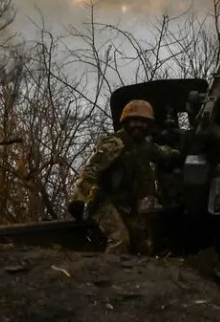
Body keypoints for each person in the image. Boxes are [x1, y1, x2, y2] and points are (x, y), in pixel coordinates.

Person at [68, 99, 181, 254]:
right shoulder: (115, 144)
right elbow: (91, 171)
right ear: (126, 122)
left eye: (144, 122)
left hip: (127, 206)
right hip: (103, 202)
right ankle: (109, 274)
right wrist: (78, 200)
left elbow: (162, 153)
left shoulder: (145, 145)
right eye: (135, 121)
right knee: (119, 239)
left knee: (145, 245)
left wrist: (180, 153)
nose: (139, 126)